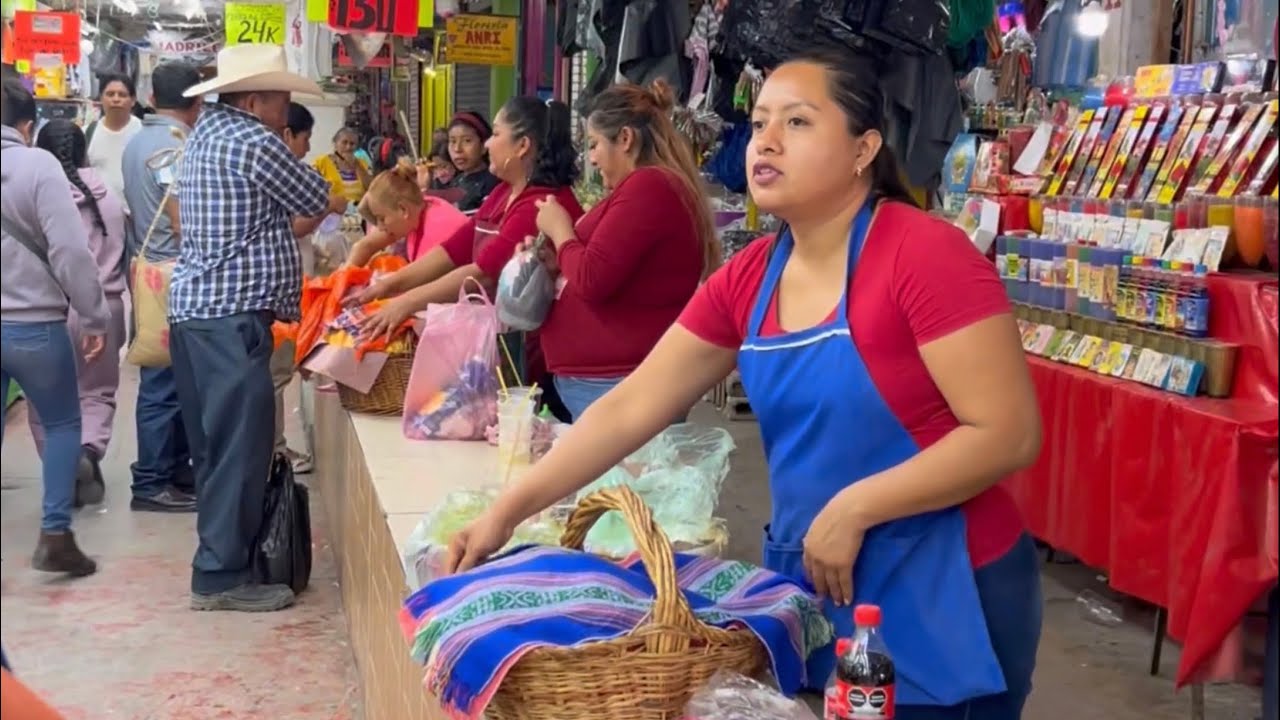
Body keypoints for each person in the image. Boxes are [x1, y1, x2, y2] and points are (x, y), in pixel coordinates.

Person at [446, 47, 1044, 720]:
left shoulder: (925, 255)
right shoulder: (753, 274)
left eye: (797, 122)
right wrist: (505, 514)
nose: (766, 141)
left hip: (944, 590)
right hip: (813, 585)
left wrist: (857, 507)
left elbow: (1007, 433)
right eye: (760, 123)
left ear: (864, 149)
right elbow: (631, 406)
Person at [169, 44, 331, 613]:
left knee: (216, 448)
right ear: (254, 100)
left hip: (196, 314)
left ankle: (221, 560)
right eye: (281, 97)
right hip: (231, 318)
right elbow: (314, 196)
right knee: (240, 448)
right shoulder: (255, 141)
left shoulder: (205, 134)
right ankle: (220, 576)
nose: (287, 108)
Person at [533, 80, 720, 420]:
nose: (591, 158)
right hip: (610, 381)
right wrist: (560, 259)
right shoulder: (646, 188)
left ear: (625, 139)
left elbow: (592, 278)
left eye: (594, 144)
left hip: (618, 381)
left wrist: (560, 231)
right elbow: (608, 267)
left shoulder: (649, 186)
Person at [351, 98, 582, 344]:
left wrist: (406, 302)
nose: (487, 143)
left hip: (528, 346)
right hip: (493, 334)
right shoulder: (503, 192)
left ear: (522, 146)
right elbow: (453, 250)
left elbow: (484, 273)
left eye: (495, 134)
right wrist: (387, 286)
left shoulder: (540, 204)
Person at [1, 79, 109, 577]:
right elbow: (69, 250)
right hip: (35, 324)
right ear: (27, 125)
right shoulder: (38, 165)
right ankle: (55, 535)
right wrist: (94, 315)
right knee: (63, 424)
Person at [28, 120, 128, 498]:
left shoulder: (38, 195)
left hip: (50, 307)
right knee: (97, 392)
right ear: (85, 151)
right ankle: (88, 449)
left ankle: (63, 467)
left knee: (46, 399)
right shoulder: (108, 196)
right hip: (105, 306)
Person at [121, 61, 203, 513]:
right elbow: (179, 219)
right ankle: (152, 482)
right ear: (198, 101)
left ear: (152, 98)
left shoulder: (136, 141)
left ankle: (173, 471)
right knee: (163, 383)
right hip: (171, 278)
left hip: (149, 271)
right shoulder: (176, 146)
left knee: (171, 380)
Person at [86, 73, 143, 204]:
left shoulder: (143, 132)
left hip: (135, 212)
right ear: (101, 98)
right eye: (110, 94)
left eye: (122, 95)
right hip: (99, 212)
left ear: (133, 100)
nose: (116, 99)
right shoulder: (88, 133)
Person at [438, 110, 500, 212]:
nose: (457, 149)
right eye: (453, 141)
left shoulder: (493, 184)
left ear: (484, 145)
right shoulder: (456, 181)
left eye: (467, 141)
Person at [312, 126, 372, 205]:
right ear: (335, 144)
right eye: (344, 142)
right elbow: (311, 189)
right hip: (331, 209)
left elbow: (371, 189)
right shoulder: (321, 162)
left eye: (352, 144)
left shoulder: (362, 163)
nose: (348, 147)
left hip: (358, 209)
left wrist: (357, 165)